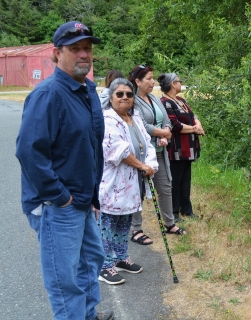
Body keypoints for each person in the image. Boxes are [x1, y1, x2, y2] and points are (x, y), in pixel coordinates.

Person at [16, 21, 114, 320]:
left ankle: (87, 315)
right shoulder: (49, 94)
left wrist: (92, 197)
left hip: (83, 200)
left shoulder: (85, 90)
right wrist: (59, 196)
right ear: (56, 54)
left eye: (87, 48)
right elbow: (29, 152)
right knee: (64, 280)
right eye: (75, 49)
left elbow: (89, 146)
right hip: (59, 205)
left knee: (90, 262)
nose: (84, 54)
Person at [98, 78, 158, 285]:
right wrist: (142, 166)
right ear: (111, 97)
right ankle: (104, 265)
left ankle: (121, 258)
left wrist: (150, 164)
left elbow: (147, 144)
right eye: (119, 94)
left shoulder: (135, 118)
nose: (125, 97)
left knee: (125, 222)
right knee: (108, 224)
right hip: (113, 182)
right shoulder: (107, 119)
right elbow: (118, 150)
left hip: (133, 183)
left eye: (129, 94)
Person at [128, 65, 186, 239]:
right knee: (139, 190)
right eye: (149, 79)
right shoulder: (133, 101)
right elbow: (140, 126)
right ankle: (136, 229)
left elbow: (166, 119)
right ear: (138, 81)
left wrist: (166, 132)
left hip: (159, 151)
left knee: (165, 186)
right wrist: (164, 133)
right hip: (141, 154)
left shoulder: (154, 98)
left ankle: (169, 224)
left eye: (153, 78)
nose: (153, 82)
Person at [158, 73, 204, 221]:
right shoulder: (165, 102)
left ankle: (186, 210)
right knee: (175, 181)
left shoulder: (180, 100)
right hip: (177, 149)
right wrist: (195, 129)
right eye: (179, 81)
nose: (181, 83)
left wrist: (198, 124)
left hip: (188, 149)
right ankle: (173, 212)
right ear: (173, 84)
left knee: (185, 181)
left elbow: (193, 115)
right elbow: (175, 125)